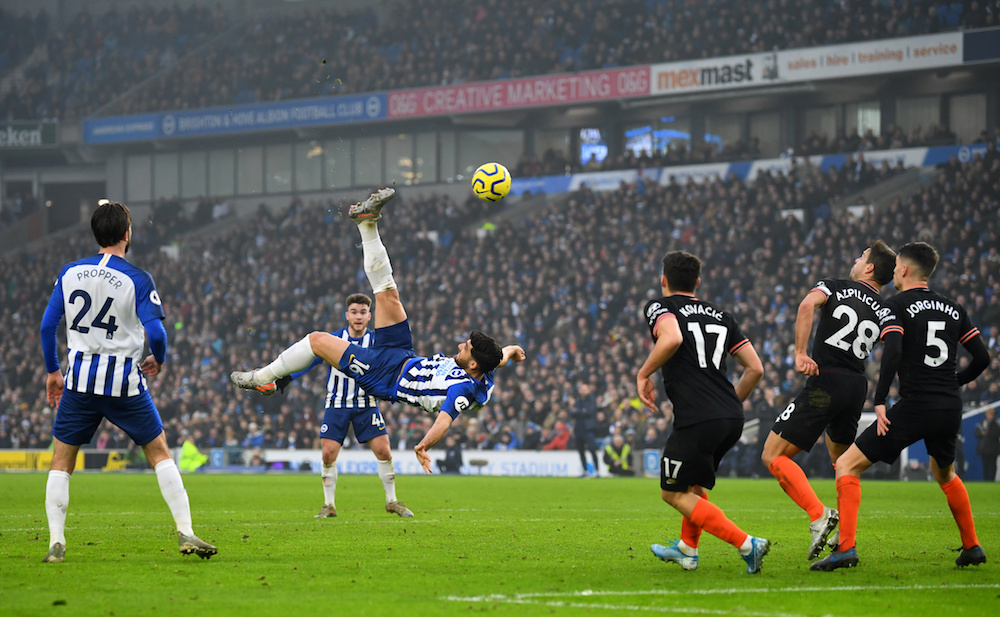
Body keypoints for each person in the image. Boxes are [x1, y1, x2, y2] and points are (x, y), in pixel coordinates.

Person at [230, 188, 526, 474]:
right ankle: (366, 223)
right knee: (387, 293)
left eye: (466, 348)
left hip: (385, 375)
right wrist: (511, 350)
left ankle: (262, 378)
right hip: (402, 354)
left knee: (317, 340)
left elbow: (445, 420)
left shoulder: (463, 390)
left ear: (473, 363)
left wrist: (423, 446)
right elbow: (497, 359)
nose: (460, 345)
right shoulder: (484, 368)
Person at [38, 200, 216, 563]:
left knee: (61, 462)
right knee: (160, 453)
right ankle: (185, 530)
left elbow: (46, 327)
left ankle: (56, 542)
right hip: (123, 382)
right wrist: (159, 360)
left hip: (80, 382)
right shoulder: (137, 278)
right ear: (126, 234)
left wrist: (53, 371)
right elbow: (158, 334)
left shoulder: (70, 272)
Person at [813, 242, 991, 571]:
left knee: (847, 465)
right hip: (949, 406)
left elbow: (892, 352)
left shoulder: (896, 305)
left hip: (916, 405)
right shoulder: (953, 307)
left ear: (905, 270)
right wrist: (954, 382)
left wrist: (880, 400)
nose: (893, 273)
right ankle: (972, 546)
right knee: (945, 473)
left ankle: (845, 549)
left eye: (896, 268)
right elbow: (982, 358)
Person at [760, 241, 896, 560]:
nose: (855, 259)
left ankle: (819, 516)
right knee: (844, 465)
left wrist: (799, 352)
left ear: (870, 267)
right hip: (856, 386)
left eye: (861, 257)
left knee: (772, 455)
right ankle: (846, 543)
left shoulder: (836, 286)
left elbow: (807, 306)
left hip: (827, 381)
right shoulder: (885, 308)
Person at [637, 250, 769, 574]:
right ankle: (687, 550)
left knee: (672, 492)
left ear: (663, 280)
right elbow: (755, 369)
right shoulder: (722, 315)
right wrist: (728, 405)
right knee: (694, 486)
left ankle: (746, 544)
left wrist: (643, 374)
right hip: (730, 415)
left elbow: (672, 338)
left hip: (698, 417)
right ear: (697, 282)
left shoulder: (661, 306)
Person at [259, 293, 413, 518]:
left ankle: (392, 501)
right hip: (337, 403)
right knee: (328, 453)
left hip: (366, 403)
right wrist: (282, 381)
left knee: (384, 450)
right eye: (354, 312)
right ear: (346, 315)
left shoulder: (377, 343)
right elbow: (308, 362)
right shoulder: (335, 340)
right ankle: (328, 505)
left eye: (362, 312)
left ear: (370, 316)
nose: (358, 316)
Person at [570, 383, 600, 477]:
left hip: (588, 429)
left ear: (588, 390)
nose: (583, 391)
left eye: (585, 389)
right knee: (581, 450)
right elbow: (572, 412)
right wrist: (581, 411)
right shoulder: (578, 401)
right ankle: (585, 470)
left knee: (592, 449)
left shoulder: (592, 400)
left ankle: (597, 471)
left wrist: (579, 412)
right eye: (581, 389)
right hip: (578, 428)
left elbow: (589, 412)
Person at [974, 408, 1000, 481]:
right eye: (988, 414)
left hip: (993, 448)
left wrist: (987, 433)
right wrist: (981, 433)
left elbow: (997, 433)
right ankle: (986, 479)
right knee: (985, 465)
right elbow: (976, 433)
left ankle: (992, 479)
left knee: (993, 465)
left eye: (991, 414)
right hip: (984, 448)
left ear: (993, 415)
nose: (989, 416)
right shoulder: (982, 423)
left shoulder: (995, 424)